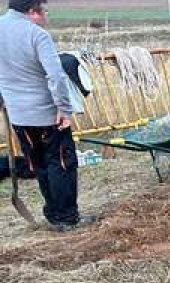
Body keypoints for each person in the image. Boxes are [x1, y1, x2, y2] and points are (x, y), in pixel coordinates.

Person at [0, 0, 94, 231]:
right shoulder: (37, 35)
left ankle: (53, 213)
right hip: (47, 115)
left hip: (19, 115)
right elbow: (56, 75)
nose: (46, 15)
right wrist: (63, 109)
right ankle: (66, 218)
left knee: (39, 164)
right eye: (44, 10)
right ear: (32, 11)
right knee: (61, 164)